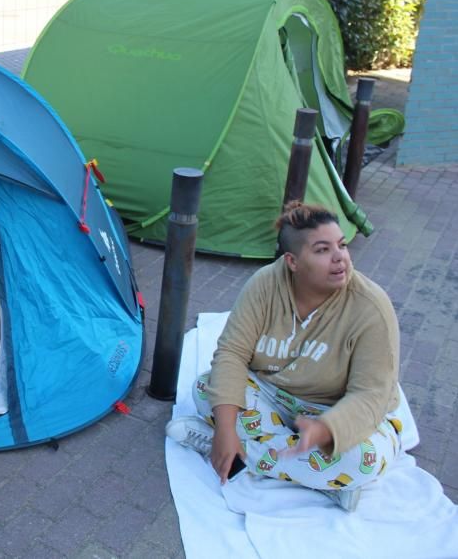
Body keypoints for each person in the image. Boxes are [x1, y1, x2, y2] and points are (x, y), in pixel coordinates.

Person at [166, 202, 404, 512]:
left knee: (362, 461)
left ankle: (240, 455)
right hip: (276, 395)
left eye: (341, 245)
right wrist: (226, 429)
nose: (340, 258)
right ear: (292, 261)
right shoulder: (266, 284)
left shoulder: (371, 306)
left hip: (340, 409)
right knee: (205, 388)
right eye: (322, 250)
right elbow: (233, 353)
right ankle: (323, 480)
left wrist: (327, 430)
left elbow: (371, 394)